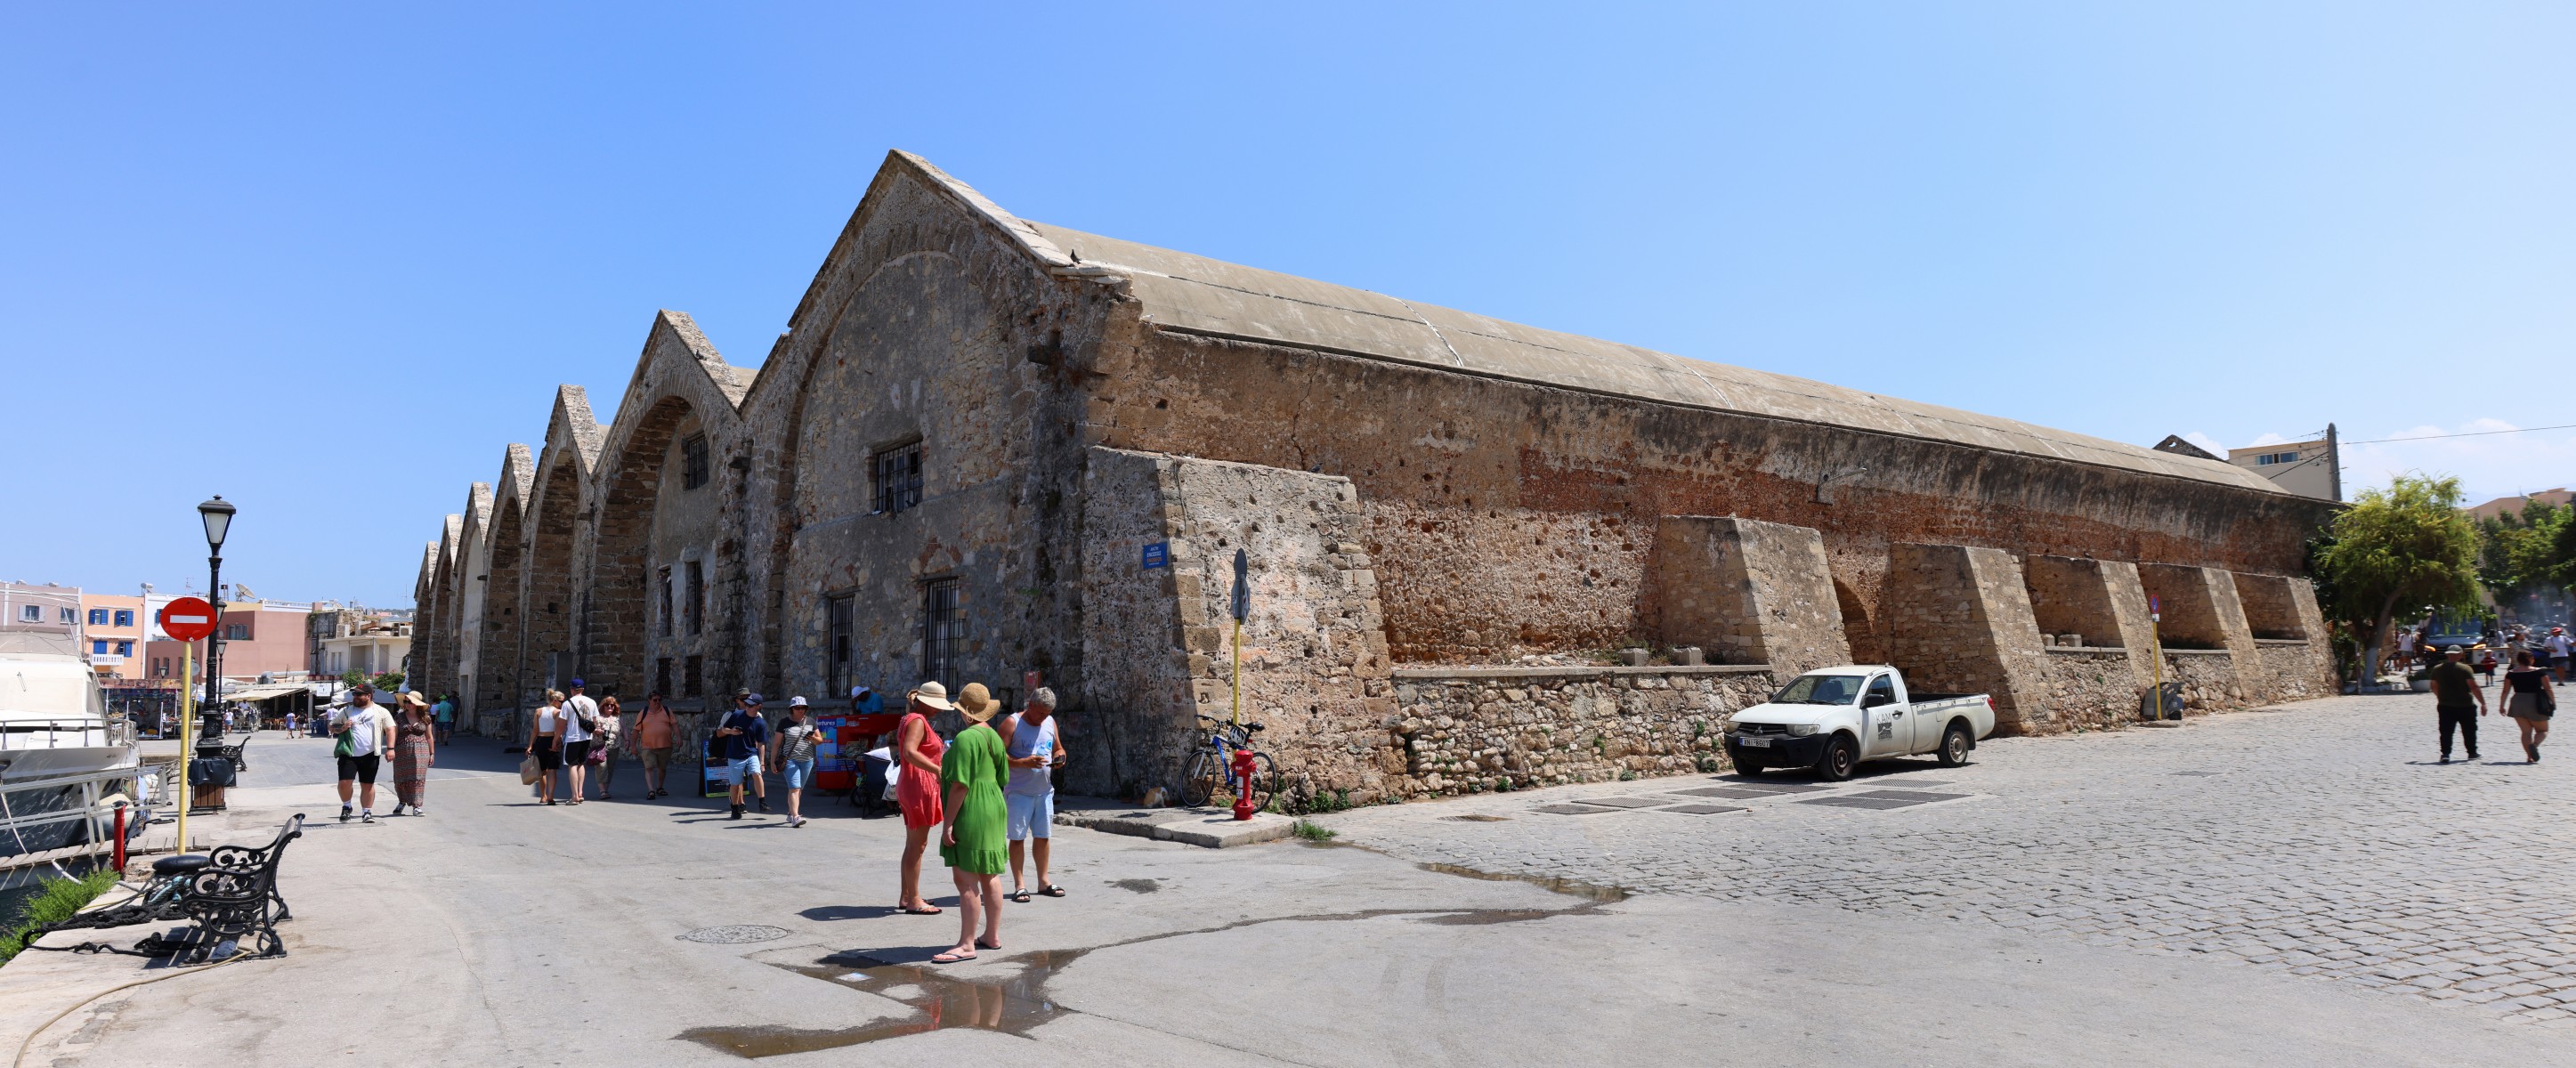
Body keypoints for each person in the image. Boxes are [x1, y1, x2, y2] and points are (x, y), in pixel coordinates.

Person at [932, 683, 1009, 964]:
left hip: (972, 807)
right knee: (989, 874)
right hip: (994, 804)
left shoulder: (966, 739)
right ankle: (991, 935)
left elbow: (960, 786)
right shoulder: (995, 737)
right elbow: (1002, 778)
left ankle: (966, 944)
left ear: (965, 713)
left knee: (965, 879)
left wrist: (948, 824)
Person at [997, 683, 1069, 902]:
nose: (1042, 718)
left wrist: (1060, 757)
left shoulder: (1049, 722)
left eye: (1047, 714)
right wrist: (1023, 762)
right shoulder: (1012, 723)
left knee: (1043, 837)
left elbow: (1058, 747)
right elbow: (998, 757)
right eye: (1040, 713)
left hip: (1044, 792)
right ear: (1030, 705)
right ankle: (1020, 884)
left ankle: (1043, 881)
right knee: (1017, 838)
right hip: (1018, 792)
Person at [895, 681, 954, 915]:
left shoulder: (910, 718)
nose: (940, 709)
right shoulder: (918, 721)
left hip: (912, 783)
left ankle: (907, 895)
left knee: (913, 844)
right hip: (918, 784)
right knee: (917, 845)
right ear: (926, 702)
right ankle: (914, 900)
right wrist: (937, 769)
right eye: (937, 705)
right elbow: (910, 752)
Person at [328, 684, 395, 823]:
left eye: (358, 695)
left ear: (368, 696)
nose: (355, 697)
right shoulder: (346, 711)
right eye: (354, 694)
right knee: (344, 783)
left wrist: (390, 748)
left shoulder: (381, 711)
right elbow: (332, 726)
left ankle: (366, 812)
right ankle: (347, 806)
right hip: (348, 753)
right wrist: (342, 727)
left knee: (368, 784)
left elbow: (390, 729)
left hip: (371, 754)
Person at [716, 692, 771, 820]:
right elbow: (723, 729)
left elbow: (761, 743)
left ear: (759, 706)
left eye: (751, 705)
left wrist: (762, 762)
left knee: (757, 774)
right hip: (735, 754)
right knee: (735, 783)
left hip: (751, 753)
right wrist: (731, 731)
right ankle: (735, 808)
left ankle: (762, 802)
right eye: (746, 704)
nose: (748, 707)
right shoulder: (737, 715)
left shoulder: (760, 723)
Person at [2428, 644, 2487, 765]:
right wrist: (2483, 703)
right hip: (2465, 705)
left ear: (2447, 655)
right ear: (2460, 655)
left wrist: (2440, 697)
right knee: (2469, 729)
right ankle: (2472, 752)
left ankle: (2445, 754)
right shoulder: (2465, 669)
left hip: (2445, 705)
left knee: (2445, 731)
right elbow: (2474, 687)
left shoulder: (2437, 669)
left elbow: (2433, 686)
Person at [774, 697, 822, 828]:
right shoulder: (784, 723)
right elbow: (777, 744)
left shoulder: (811, 721)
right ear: (792, 709)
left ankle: (790, 813)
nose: (801, 710)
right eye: (797, 708)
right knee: (794, 788)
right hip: (790, 760)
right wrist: (772, 762)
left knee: (798, 789)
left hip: (807, 760)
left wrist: (812, 738)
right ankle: (796, 817)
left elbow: (820, 740)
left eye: (803, 708)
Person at [390, 692, 438, 816]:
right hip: (402, 751)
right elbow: (394, 734)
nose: (407, 704)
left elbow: (429, 737)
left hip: (421, 751)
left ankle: (417, 806)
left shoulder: (426, 718)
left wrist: (432, 753)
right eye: (405, 701)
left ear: (416, 704)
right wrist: (391, 749)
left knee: (418, 778)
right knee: (400, 778)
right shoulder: (399, 717)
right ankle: (402, 801)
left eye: (409, 702)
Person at [2504, 649, 2556, 764]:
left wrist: (2502, 705)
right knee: (2543, 730)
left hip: (2517, 702)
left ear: (2518, 660)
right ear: (2531, 659)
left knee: (2526, 732)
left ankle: (2529, 756)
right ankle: (2535, 746)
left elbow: (2505, 691)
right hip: (2535, 702)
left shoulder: (2511, 673)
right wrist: (2553, 702)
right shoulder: (2539, 672)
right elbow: (2548, 688)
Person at [559, 679, 598, 805]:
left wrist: (556, 738)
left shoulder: (567, 704)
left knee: (572, 765)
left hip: (572, 738)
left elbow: (562, 724)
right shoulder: (591, 702)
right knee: (581, 764)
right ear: (582, 689)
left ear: (571, 689)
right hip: (586, 737)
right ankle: (580, 792)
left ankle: (574, 796)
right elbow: (595, 722)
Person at [632, 692, 677, 799]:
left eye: (659, 700)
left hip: (665, 745)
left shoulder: (667, 711)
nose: (658, 702)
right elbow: (636, 731)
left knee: (662, 768)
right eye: (655, 700)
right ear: (649, 700)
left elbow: (674, 725)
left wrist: (679, 737)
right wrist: (633, 746)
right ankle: (651, 790)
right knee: (649, 768)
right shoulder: (643, 713)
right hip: (648, 746)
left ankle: (660, 787)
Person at [531, 689, 566, 805]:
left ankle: (543, 796)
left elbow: (535, 730)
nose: (562, 703)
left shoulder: (538, 711)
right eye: (561, 701)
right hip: (552, 740)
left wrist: (530, 746)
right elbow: (558, 730)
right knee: (552, 770)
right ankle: (551, 796)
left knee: (542, 771)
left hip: (540, 741)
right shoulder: (558, 712)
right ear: (555, 700)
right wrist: (558, 742)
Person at [592, 694, 624, 800]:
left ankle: (605, 789)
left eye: (612, 705)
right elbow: (592, 729)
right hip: (600, 746)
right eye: (607, 705)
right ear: (603, 706)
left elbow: (624, 729)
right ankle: (602, 791)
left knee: (610, 769)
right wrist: (597, 731)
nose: (610, 707)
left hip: (614, 746)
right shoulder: (598, 718)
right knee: (601, 768)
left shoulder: (617, 718)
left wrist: (627, 740)